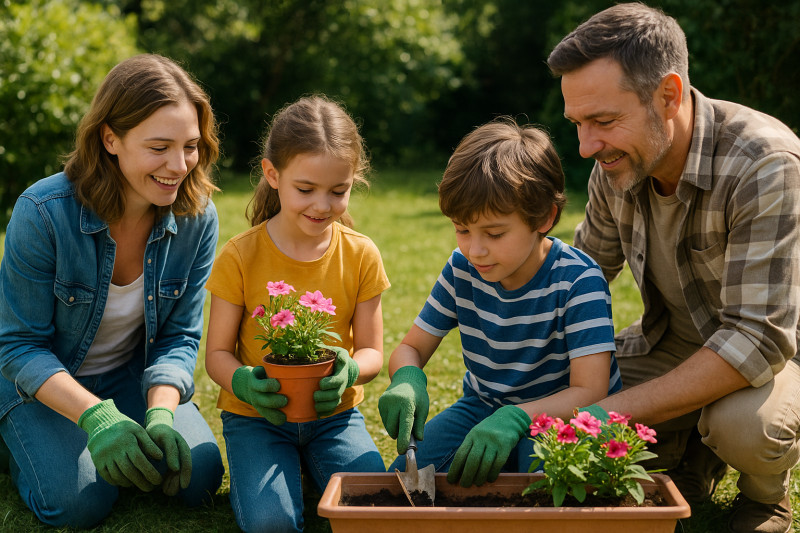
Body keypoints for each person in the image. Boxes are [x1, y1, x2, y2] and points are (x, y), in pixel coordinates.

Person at [547, 4, 800, 532]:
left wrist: (604, 416)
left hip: (777, 353)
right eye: (578, 123)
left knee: (743, 428)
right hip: (675, 343)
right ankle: (691, 454)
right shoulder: (617, 163)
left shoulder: (765, 163)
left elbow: (757, 339)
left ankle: (765, 496)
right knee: (557, 389)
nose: (586, 146)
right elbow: (577, 279)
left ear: (668, 94)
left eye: (604, 121)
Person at [0, 54, 225, 528]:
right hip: (43, 384)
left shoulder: (197, 219)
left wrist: (160, 414)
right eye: (159, 147)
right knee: (79, 503)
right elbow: (19, 345)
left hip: (128, 376)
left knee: (197, 474)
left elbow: (180, 336)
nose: (179, 165)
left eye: (190, 146)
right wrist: (96, 418)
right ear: (110, 139)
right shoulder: (42, 212)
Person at [378, 118, 622, 488]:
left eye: (494, 233)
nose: (475, 249)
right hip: (483, 407)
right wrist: (407, 379)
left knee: (543, 487)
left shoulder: (578, 280)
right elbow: (412, 346)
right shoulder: (463, 269)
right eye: (462, 229)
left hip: (561, 417)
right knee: (400, 485)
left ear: (544, 217)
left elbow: (591, 392)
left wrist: (517, 418)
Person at [204, 95, 390, 533]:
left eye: (338, 191)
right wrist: (244, 384)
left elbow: (371, 353)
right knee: (272, 524)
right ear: (272, 174)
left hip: (335, 417)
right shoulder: (240, 256)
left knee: (372, 513)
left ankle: (308, 465)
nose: (322, 205)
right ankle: (292, 468)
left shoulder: (361, 254)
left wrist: (350, 370)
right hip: (257, 419)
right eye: (305, 189)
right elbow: (216, 354)